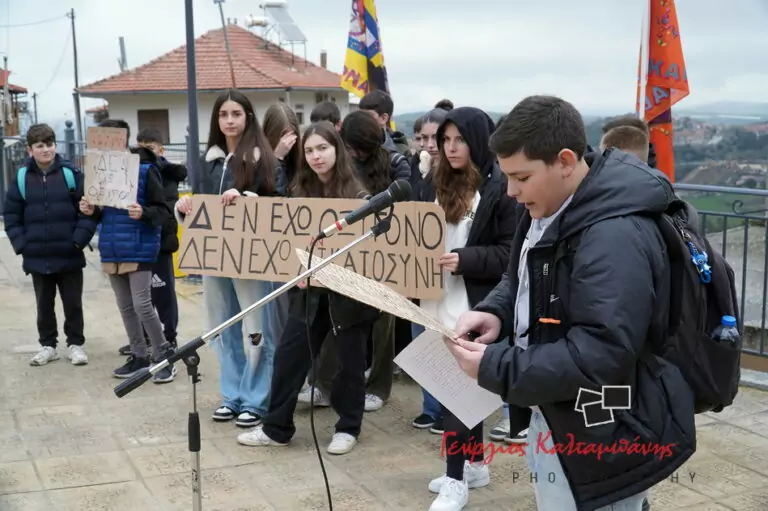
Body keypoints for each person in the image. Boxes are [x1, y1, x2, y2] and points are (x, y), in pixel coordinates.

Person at [446, 95, 695, 511]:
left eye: (521, 177)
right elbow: (525, 275)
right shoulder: (555, 204)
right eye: (507, 177)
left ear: (564, 161)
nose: (511, 191)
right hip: (560, 413)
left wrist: (496, 366)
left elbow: (602, 353)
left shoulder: (613, 235)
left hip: (603, 431)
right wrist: (496, 310)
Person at [236, 121, 378, 455]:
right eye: (310, 150)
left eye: (322, 148)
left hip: (348, 298)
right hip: (308, 295)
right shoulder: (298, 191)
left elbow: (370, 249)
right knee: (289, 357)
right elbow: (284, 235)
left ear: (337, 149)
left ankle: (348, 427)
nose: (316, 156)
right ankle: (276, 427)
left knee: (349, 364)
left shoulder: (359, 194)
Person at [410, 107, 516, 511]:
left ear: (479, 142)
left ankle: (455, 480)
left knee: (457, 392)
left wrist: (466, 259)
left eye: (460, 140)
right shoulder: (430, 183)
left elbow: (510, 252)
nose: (451, 148)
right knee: (452, 389)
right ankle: (474, 463)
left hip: (472, 305)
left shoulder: (499, 188)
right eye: (446, 140)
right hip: (433, 299)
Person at [175, 89, 287, 428]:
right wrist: (186, 207)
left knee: (257, 329)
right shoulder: (207, 161)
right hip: (215, 259)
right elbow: (200, 204)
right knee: (222, 327)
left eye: (236, 114)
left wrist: (248, 199)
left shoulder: (264, 160)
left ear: (248, 117)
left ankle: (257, 399)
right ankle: (232, 395)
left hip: (252, 260)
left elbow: (279, 203)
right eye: (223, 115)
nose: (229, 121)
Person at [80, 119, 177, 382]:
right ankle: (139, 355)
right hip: (112, 247)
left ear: (123, 140)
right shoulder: (99, 172)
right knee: (125, 305)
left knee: (142, 304)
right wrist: (91, 210)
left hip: (140, 245)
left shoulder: (145, 170)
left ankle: (164, 355)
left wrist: (143, 213)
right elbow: (102, 213)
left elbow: (162, 212)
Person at [3, 123, 97, 366]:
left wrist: (78, 241)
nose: (46, 149)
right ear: (30, 150)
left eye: (50, 144)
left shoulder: (71, 174)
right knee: (44, 305)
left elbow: (89, 211)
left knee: (73, 304)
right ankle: (48, 346)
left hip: (69, 254)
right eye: (40, 145)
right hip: (37, 256)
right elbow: (11, 215)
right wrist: (23, 244)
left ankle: (75, 344)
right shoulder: (21, 178)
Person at [117, 128, 187, 356]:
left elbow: (165, 210)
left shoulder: (167, 174)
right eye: (140, 148)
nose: (144, 152)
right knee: (140, 296)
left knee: (163, 293)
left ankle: (169, 337)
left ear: (161, 150)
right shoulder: (133, 172)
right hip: (138, 243)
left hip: (161, 243)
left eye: (150, 148)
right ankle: (145, 337)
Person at [359, 89, 412, 158]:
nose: (361, 120)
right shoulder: (353, 147)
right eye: (359, 115)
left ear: (383, 118)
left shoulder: (402, 151)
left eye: (367, 116)